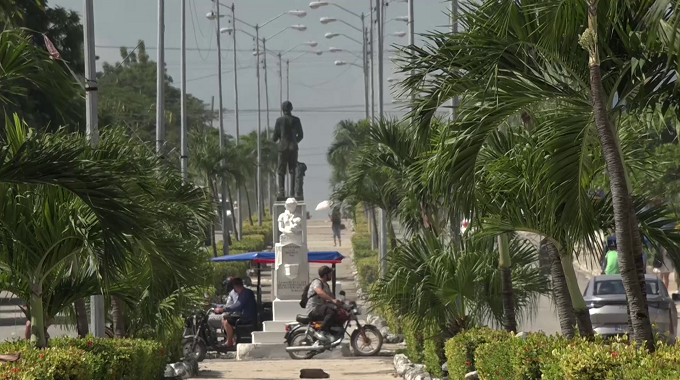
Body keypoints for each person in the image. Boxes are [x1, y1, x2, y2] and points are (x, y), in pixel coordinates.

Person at [273, 101, 304, 200]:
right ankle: (292, 192)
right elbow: (301, 135)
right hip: (293, 147)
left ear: (282, 109)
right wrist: (295, 141)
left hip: (282, 148)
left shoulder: (279, 120)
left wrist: (279, 140)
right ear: (291, 108)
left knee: (281, 171)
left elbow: (274, 137)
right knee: (292, 170)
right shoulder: (296, 120)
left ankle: (281, 192)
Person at [214, 278, 257, 347]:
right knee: (224, 319)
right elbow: (232, 305)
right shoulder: (243, 293)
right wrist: (218, 306)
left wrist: (223, 309)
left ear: (235, 286)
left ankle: (229, 342)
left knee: (227, 321)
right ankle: (231, 340)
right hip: (243, 315)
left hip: (247, 317)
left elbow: (238, 306)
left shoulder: (245, 293)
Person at [306, 266, 341, 342]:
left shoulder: (326, 285)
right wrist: (332, 300)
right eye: (329, 274)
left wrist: (342, 304)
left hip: (320, 309)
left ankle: (332, 333)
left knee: (338, 312)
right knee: (331, 311)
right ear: (325, 275)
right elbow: (319, 292)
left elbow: (332, 297)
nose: (331, 275)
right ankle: (322, 331)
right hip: (313, 309)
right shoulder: (317, 282)